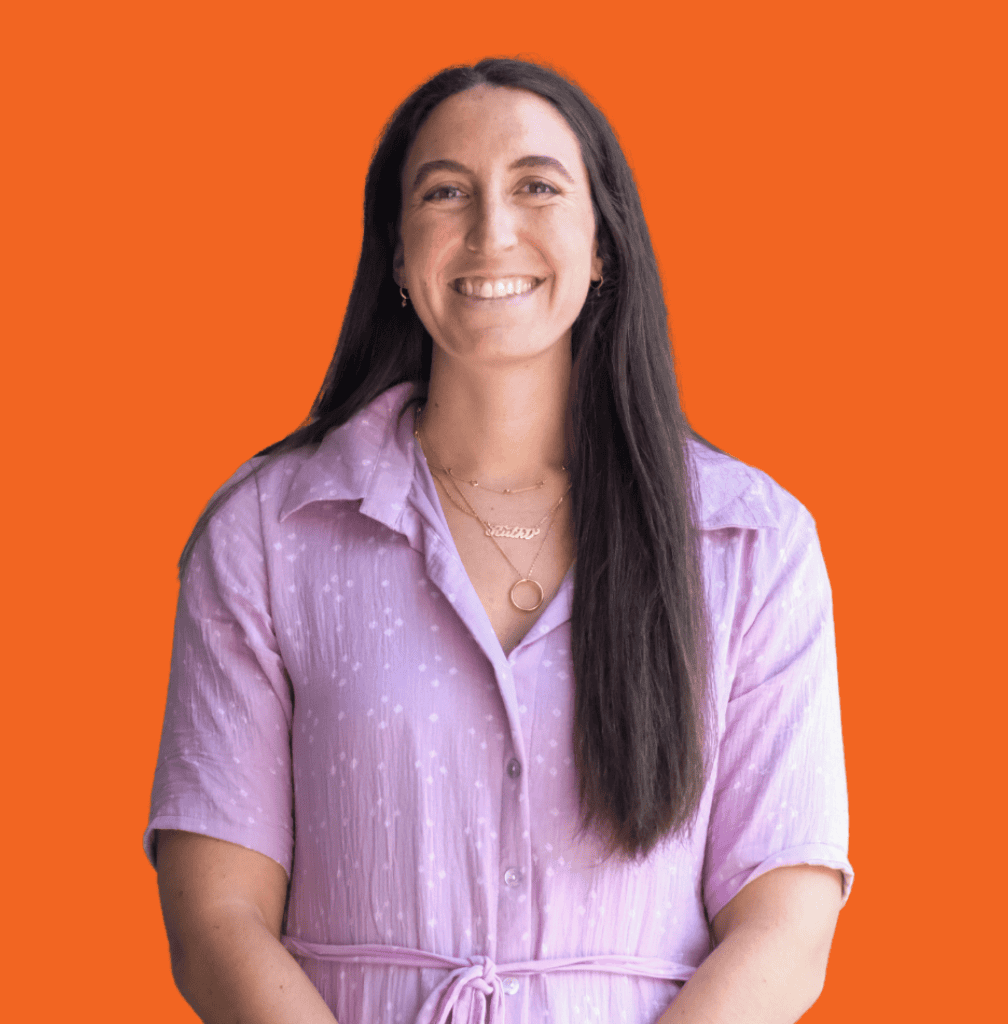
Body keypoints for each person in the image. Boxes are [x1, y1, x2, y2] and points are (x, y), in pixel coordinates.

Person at [146, 57, 853, 1024]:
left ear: (602, 243)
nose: (491, 231)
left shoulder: (749, 544)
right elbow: (216, 913)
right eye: (445, 192)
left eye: (536, 186)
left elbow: (786, 921)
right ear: (397, 257)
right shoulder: (269, 536)